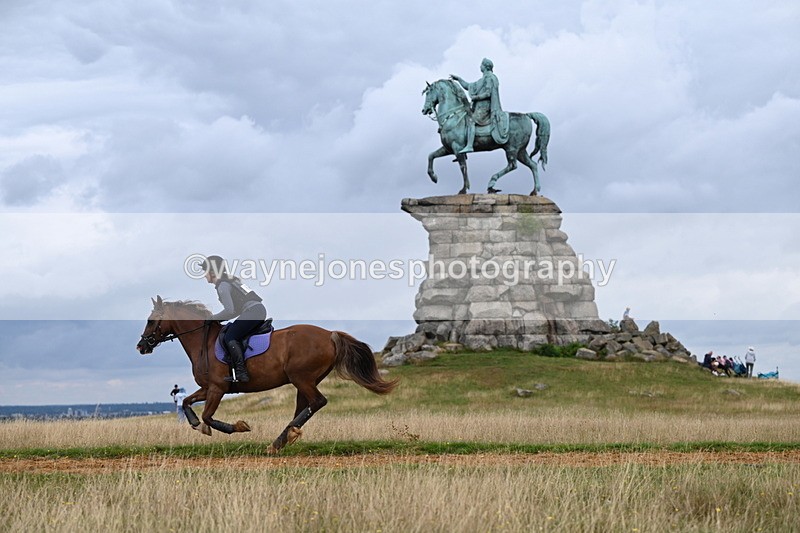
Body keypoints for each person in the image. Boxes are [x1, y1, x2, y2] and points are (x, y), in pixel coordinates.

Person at [201, 255, 268, 383]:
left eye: (205, 271)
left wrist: (212, 318)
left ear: (213, 272)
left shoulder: (223, 286)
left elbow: (229, 311)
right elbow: (234, 311)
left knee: (229, 337)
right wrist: (217, 319)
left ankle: (241, 372)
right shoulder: (229, 281)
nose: (204, 275)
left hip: (252, 312)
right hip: (256, 310)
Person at [450, 58, 509, 153]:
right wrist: (458, 79)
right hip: (479, 107)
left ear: (485, 66)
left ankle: (469, 145)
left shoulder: (490, 78)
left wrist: (476, 97)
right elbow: (468, 86)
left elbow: (488, 93)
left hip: (485, 108)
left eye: (481, 65)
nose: (480, 66)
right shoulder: (482, 80)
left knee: (471, 121)